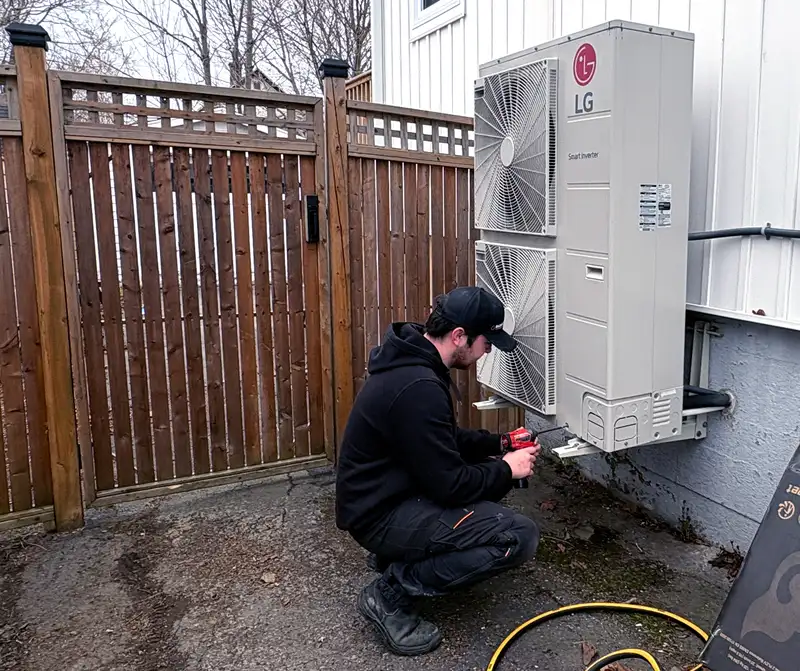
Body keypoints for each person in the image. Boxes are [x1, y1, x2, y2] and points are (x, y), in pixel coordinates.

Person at [335, 286, 542, 656]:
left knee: (484, 490)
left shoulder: (413, 363)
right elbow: (451, 486)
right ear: (459, 336)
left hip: (383, 495)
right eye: (486, 341)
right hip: (378, 515)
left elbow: (441, 438)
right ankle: (390, 594)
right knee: (517, 536)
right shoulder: (418, 386)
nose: (488, 350)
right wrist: (507, 470)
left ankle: (399, 555)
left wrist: (500, 444)